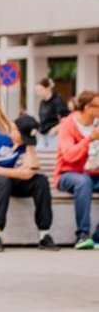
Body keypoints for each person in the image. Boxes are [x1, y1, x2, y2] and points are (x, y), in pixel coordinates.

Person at [0, 119, 59, 251]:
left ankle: (44, 234)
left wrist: (29, 146)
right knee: (2, 182)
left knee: (40, 181)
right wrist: (17, 173)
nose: (23, 141)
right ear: (13, 128)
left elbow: (33, 167)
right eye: (23, 137)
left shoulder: (23, 142)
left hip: (7, 181)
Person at [55, 90, 99, 249]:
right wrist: (90, 139)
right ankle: (82, 235)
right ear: (88, 108)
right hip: (68, 174)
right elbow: (69, 156)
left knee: (86, 180)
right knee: (83, 182)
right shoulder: (68, 125)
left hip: (94, 174)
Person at [35, 77, 69, 151]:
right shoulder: (42, 103)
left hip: (54, 135)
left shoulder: (57, 101)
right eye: (37, 91)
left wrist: (56, 128)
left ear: (48, 88)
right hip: (43, 134)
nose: (38, 93)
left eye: (40, 90)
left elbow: (67, 117)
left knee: (52, 155)